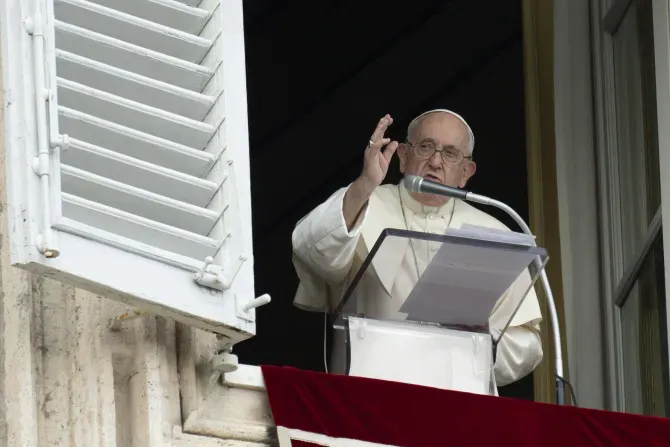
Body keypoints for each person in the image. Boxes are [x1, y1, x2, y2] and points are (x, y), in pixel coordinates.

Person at [291, 109, 543, 388]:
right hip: (368, 394)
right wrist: (365, 184)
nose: (435, 161)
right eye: (426, 147)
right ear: (403, 157)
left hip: (459, 403)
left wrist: (484, 340)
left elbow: (526, 344)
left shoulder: (494, 233)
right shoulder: (363, 203)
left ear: (466, 173)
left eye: (450, 153)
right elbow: (312, 251)